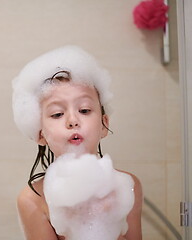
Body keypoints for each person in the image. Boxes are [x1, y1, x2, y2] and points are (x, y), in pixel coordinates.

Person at [12, 46, 142, 240]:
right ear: (41, 134)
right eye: (57, 114)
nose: (73, 120)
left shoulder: (128, 186)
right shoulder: (33, 200)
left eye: (85, 110)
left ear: (104, 125)